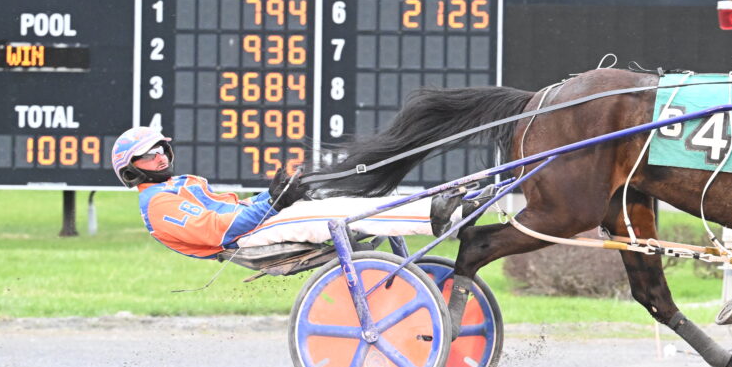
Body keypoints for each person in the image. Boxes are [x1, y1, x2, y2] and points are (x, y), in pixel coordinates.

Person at [112, 126, 478, 259]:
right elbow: (218, 229)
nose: (159, 157)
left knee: (339, 198)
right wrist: (273, 202)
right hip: (240, 242)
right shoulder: (158, 203)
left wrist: (272, 196)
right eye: (148, 155)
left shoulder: (182, 185)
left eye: (161, 149)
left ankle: (438, 204)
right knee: (334, 215)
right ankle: (439, 214)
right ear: (132, 168)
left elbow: (233, 207)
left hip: (253, 226)